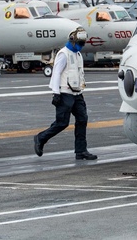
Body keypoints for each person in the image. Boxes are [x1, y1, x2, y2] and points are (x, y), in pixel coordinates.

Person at [33, 27, 97, 160]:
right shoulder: (64, 53)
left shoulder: (78, 55)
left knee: (82, 119)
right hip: (64, 93)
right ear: (73, 40)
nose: (81, 45)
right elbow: (56, 72)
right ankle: (41, 138)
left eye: (83, 43)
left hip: (77, 94)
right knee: (62, 123)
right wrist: (56, 93)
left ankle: (81, 151)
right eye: (80, 42)